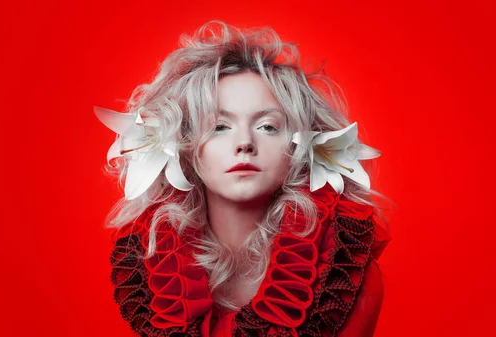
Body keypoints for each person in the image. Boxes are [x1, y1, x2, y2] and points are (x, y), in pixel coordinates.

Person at [96, 20, 392, 337]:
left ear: (301, 145)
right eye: (219, 127)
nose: (245, 143)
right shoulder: (153, 268)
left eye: (268, 126)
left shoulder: (341, 271)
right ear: (183, 146)